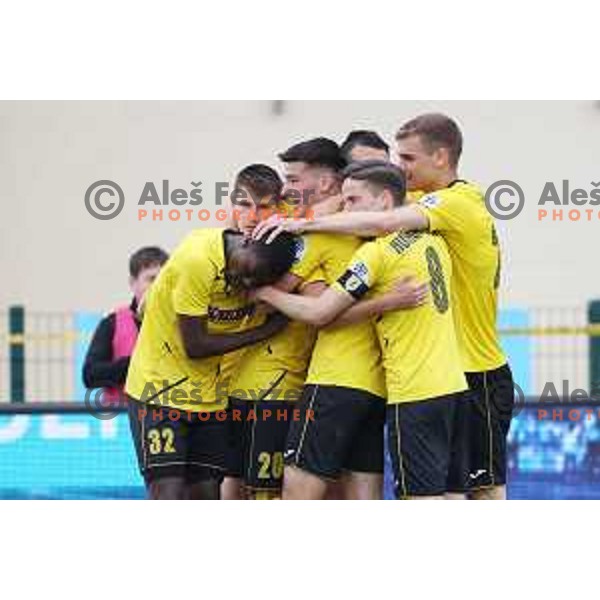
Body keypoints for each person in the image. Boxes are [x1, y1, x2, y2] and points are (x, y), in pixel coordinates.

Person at [254, 113, 514, 500]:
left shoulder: (444, 208)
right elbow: (378, 202)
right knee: (455, 495)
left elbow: (325, 307)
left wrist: (298, 229)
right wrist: (312, 214)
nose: (398, 166)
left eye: (407, 158)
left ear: (441, 157)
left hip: (471, 372)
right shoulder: (427, 216)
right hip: (441, 377)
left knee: (477, 494)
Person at [124, 227, 299, 500]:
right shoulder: (197, 258)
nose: (246, 281)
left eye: (257, 280)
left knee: (206, 494)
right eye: (248, 269)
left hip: (211, 398)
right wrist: (263, 332)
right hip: (158, 392)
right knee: (168, 493)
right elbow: (195, 346)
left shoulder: (252, 268)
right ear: (246, 241)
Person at [82, 246, 169, 397]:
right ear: (133, 282)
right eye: (151, 279)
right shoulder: (112, 322)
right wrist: (135, 364)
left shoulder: (180, 321)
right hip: (123, 417)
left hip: (171, 417)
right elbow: (90, 375)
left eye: (163, 280)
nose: (158, 286)